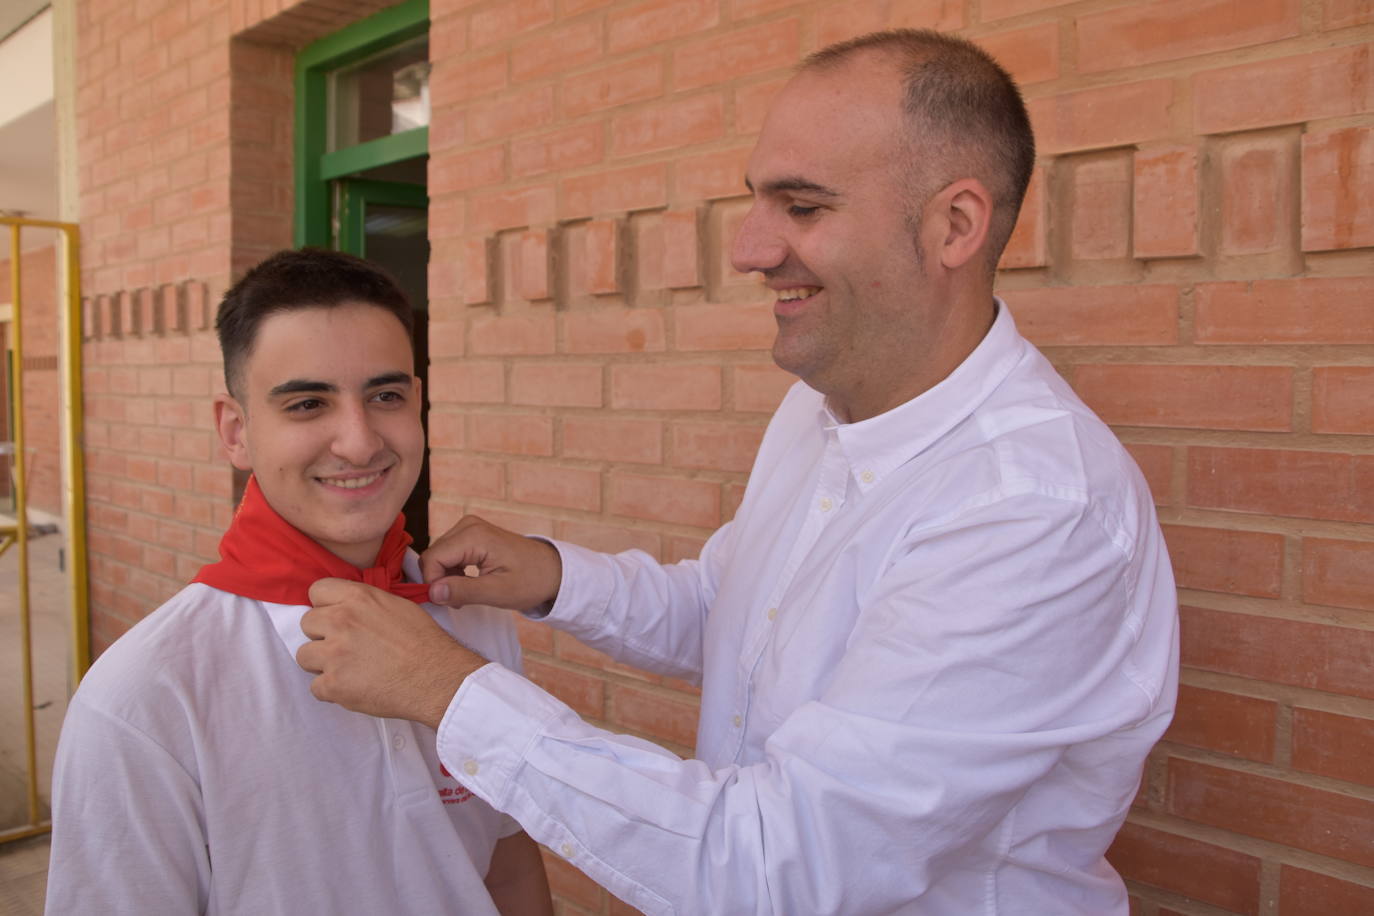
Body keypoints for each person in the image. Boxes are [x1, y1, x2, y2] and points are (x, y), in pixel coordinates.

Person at [298, 30, 1179, 915]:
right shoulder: (821, 407)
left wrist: (450, 694)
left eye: (802, 208)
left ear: (954, 225)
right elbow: (737, 612)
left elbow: (777, 864)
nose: (751, 249)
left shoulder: (1030, 509)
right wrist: (555, 578)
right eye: (758, 201)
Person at [46, 249, 553, 915]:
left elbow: (505, 862)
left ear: (419, 404)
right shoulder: (146, 697)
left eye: (385, 396)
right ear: (235, 431)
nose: (359, 441)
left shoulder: (474, 617)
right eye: (309, 403)